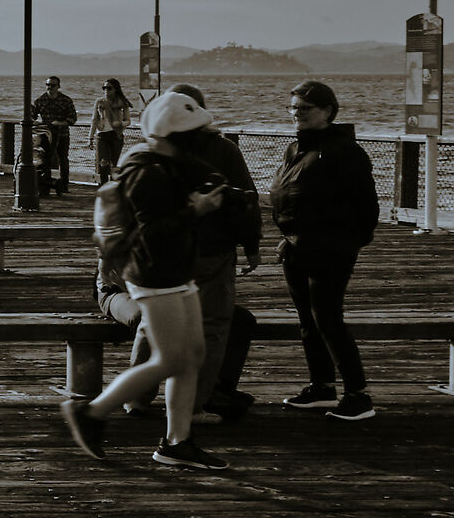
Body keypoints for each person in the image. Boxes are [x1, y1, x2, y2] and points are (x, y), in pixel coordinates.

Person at [60, 90, 231, 470]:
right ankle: (91, 413)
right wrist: (195, 210)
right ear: (175, 136)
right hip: (154, 273)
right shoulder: (146, 172)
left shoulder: (172, 160)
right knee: (170, 358)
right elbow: (152, 232)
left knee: (192, 358)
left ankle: (177, 442)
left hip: (176, 269)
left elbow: (202, 177)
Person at [269, 79, 379, 421]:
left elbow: (367, 209)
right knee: (308, 321)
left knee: (328, 320)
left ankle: (358, 395)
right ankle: (322, 387)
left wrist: (344, 244)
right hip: (295, 248)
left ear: (328, 111)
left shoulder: (345, 151)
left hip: (330, 251)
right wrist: (288, 236)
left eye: (305, 109)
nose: (297, 114)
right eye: (294, 108)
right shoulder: (294, 149)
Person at [161, 85, 263, 422]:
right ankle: (195, 405)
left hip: (168, 251)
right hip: (213, 250)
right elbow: (247, 199)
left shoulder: (155, 148)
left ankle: (138, 396)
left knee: (156, 323)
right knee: (213, 325)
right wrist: (251, 246)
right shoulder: (223, 149)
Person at [31, 76, 78, 196]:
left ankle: (64, 185)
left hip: (62, 134)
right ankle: (45, 184)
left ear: (58, 86)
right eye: (48, 85)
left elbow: (73, 118)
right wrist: (33, 121)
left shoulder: (66, 100)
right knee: (45, 160)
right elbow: (32, 115)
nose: (50, 87)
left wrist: (61, 123)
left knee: (63, 159)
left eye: (53, 85)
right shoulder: (40, 100)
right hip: (46, 135)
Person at [89, 79, 135, 183]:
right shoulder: (99, 102)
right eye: (104, 88)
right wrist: (90, 137)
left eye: (109, 88)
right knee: (103, 163)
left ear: (115, 89)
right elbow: (94, 120)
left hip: (116, 135)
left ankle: (113, 186)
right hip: (102, 135)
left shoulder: (122, 103)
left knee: (114, 164)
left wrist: (120, 124)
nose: (106, 90)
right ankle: (103, 185)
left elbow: (128, 121)